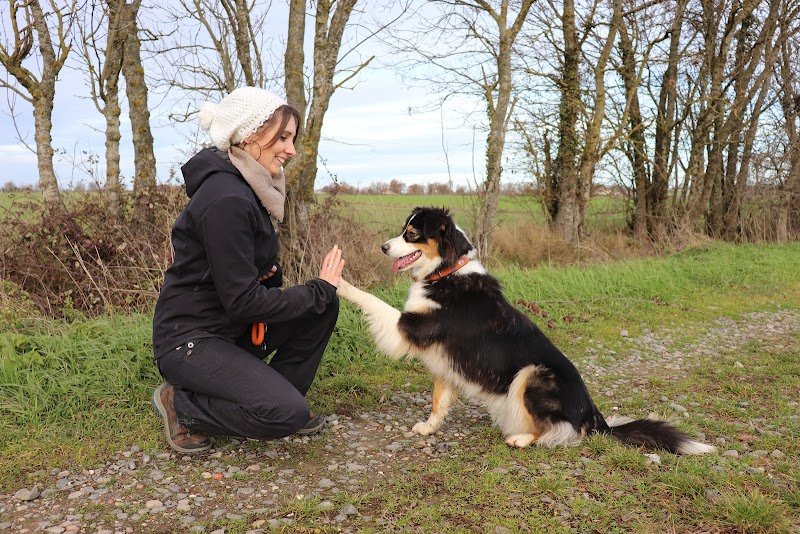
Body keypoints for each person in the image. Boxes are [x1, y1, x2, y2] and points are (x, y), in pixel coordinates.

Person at [151, 86, 345, 453]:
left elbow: (240, 280)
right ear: (250, 134)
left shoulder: (249, 190)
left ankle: (274, 396)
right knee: (284, 414)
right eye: (283, 137)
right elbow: (243, 301)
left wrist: (276, 279)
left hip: (229, 330)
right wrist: (317, 287)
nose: (291, 149)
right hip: (190, 341)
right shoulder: (226, 198)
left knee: (322, 307)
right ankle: (182, 405)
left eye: (292, 138)